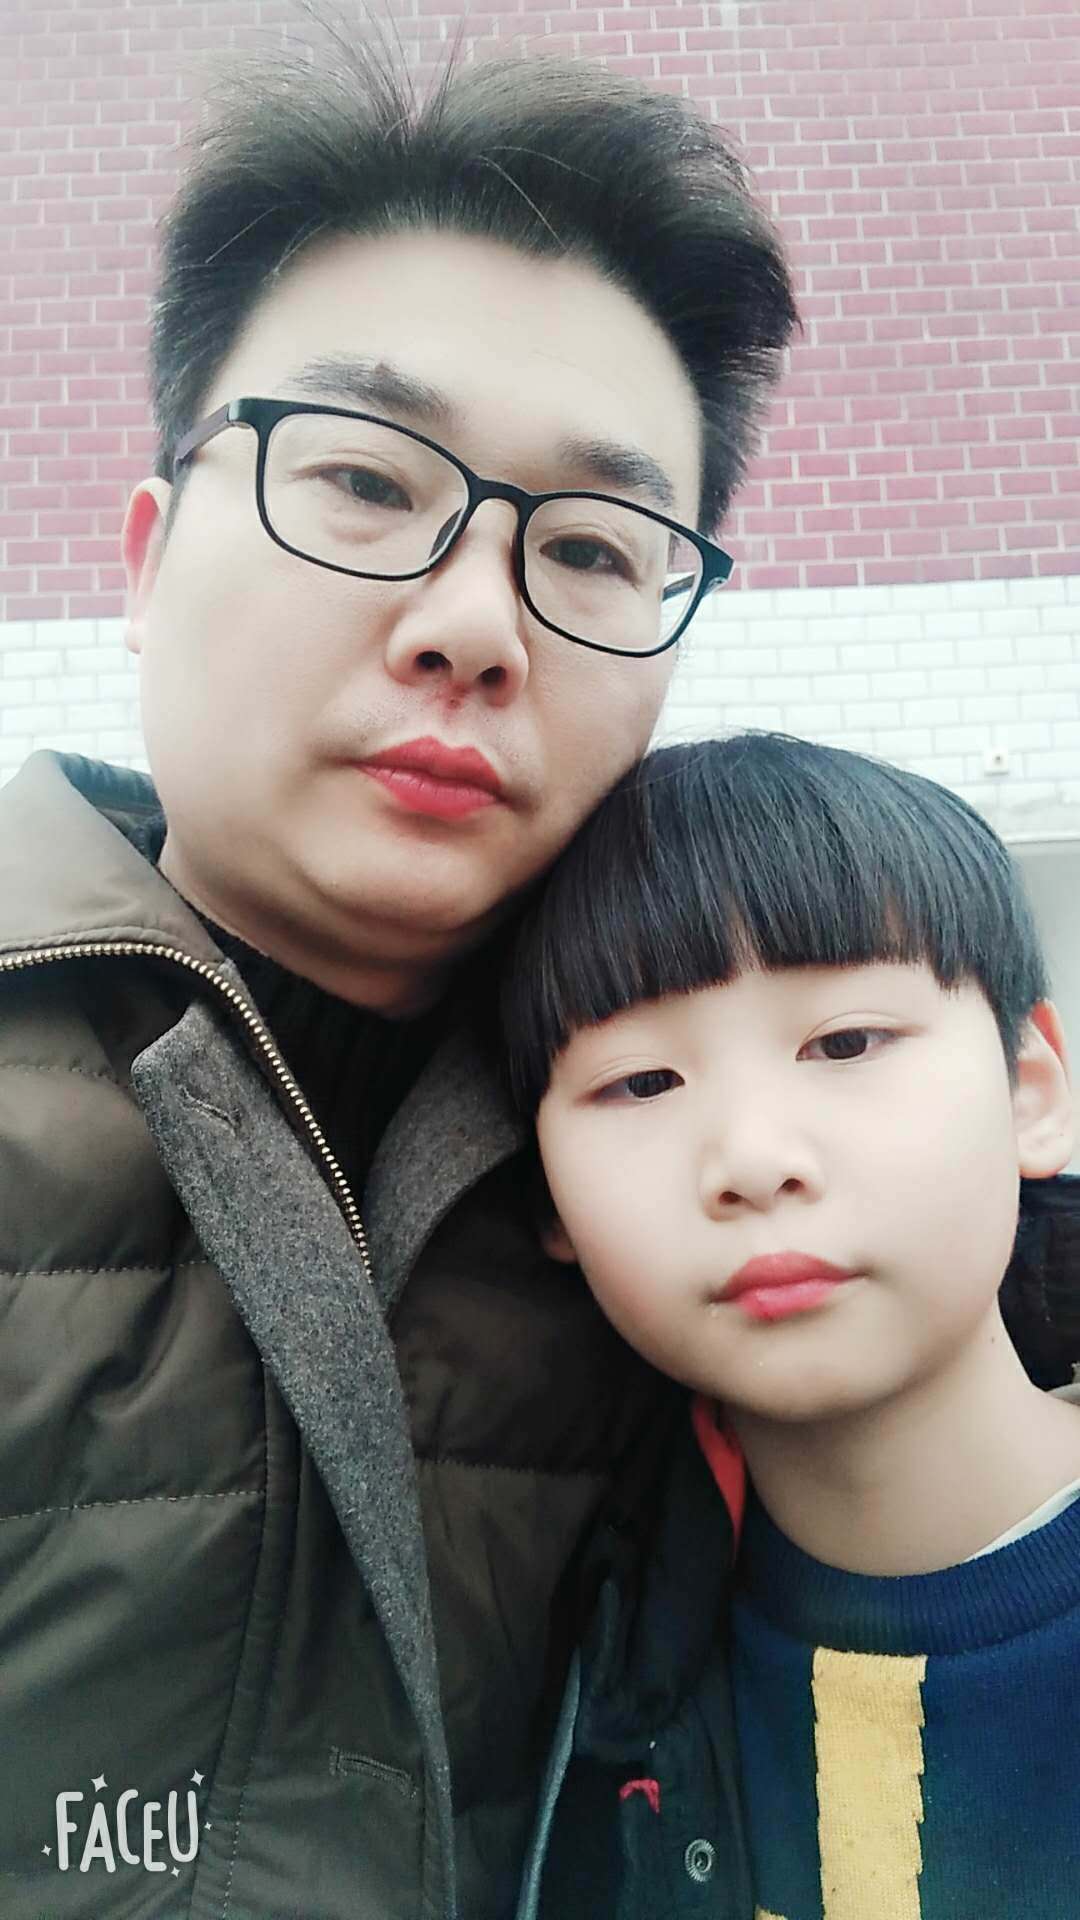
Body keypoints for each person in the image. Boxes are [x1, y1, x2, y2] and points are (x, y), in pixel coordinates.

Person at [0, 36, 798, 1920]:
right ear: (146, 558)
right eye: (361, 480)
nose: (470, 628)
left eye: (593, 547)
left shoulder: (715, 1180)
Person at [502, 732, 1080, 1920]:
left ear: (1031, 1088)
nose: (754, 1160)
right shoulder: (558, 1692)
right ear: (544, 1196)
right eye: (642, 1083)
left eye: (846, 1043)